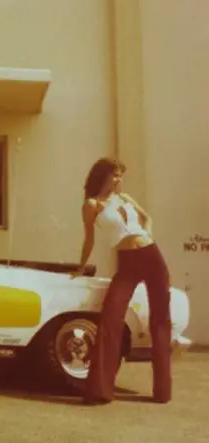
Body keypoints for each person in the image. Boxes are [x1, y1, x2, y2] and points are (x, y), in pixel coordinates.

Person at [71, 157, 172, 405]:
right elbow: (89, 239)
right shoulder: (92, 205)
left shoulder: (125, 199)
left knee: (160, 320)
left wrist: (146, 235)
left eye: (120, 176)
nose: (118, 180)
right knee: (111, 318)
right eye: (115, 175)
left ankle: (162, 392)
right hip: (127, 261)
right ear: (102, 176)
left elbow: (147, 218)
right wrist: (81, 267)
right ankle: (100, 391)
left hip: (152, 255)